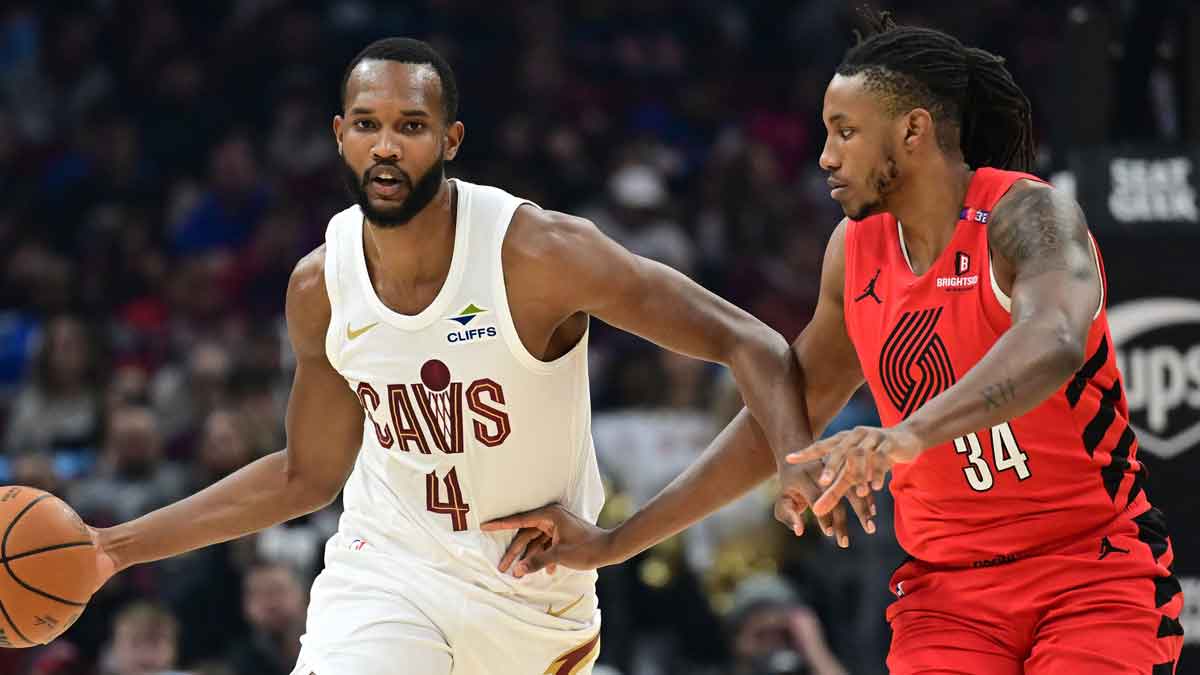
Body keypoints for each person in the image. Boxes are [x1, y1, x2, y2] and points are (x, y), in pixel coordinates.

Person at [85, 38, 869, 675]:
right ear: (339, 136)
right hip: (387, 570)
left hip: (532, 597)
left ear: (450, 139)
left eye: (411, 126)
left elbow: (749, 338)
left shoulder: (539, 253)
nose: (386, 146)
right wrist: (112, 548)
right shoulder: (321, 285)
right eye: (366, 124)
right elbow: (306, 474)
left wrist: (795, 453)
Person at [483, 11, 1183, 674]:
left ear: (912, 131)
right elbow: (780, 420)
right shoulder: (856, 251)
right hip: (950, 598)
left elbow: (1054, 340)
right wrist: (615, 541)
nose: (824, 156)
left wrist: (908, 434)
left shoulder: (1028, 215)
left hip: (1087, 569)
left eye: (845, 131)